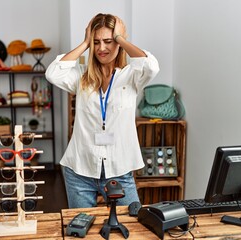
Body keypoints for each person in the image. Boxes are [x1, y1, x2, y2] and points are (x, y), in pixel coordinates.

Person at [45, 13, 160, 208]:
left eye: (108, 41)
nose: (101, 48)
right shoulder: (82, 77)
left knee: (131, 228)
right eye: (96, 42)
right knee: (82, 232)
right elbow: (53, 73)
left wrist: (120, 38)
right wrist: (84, 43)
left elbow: (151, 66)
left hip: (119, 170)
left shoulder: (131, 75)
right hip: (80, 170)